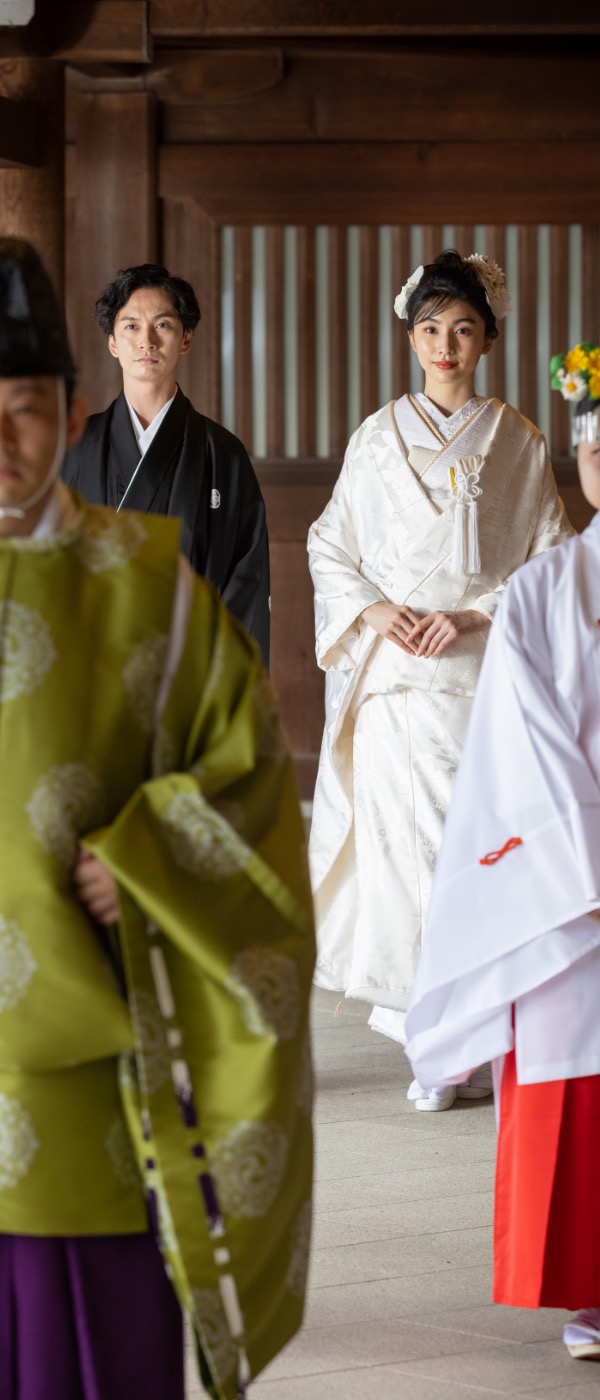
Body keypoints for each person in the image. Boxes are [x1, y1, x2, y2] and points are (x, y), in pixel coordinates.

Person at [0, 237, 314, 1400]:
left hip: (97, 1033)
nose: (5, 440)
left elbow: (241, 768)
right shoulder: (96, 456)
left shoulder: (149, 582)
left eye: (25, 410)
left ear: (62, 409)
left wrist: (150, 850)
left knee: (100, 1336)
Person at [308, 250, 574, 1110]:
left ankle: (484, 1025)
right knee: (403, 859)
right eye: (430, 329)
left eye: (463, 329)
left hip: (480, 671)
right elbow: (329, 544)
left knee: (483, 853)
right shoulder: (375, 438)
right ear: (411, 337)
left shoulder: (520, 439)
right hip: (393, 680)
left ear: (489, 339)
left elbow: (550, 558)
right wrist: (378, 613)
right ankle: (434, 1039)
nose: (445, 345)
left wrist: (470, 614)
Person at [405, 350, 600, 1356]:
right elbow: (521, 740)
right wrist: (590, 865)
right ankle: (590, 1290)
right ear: (582, 463)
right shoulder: (543, 590)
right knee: (578, 1081)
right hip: (576, 892)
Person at [61, 262, 270, 666]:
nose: (147, 342)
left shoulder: (222, 452)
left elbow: (248, 577)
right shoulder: (75, 447)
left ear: (186, 339)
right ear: (112, 343)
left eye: (163, 325)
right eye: (131, 327)